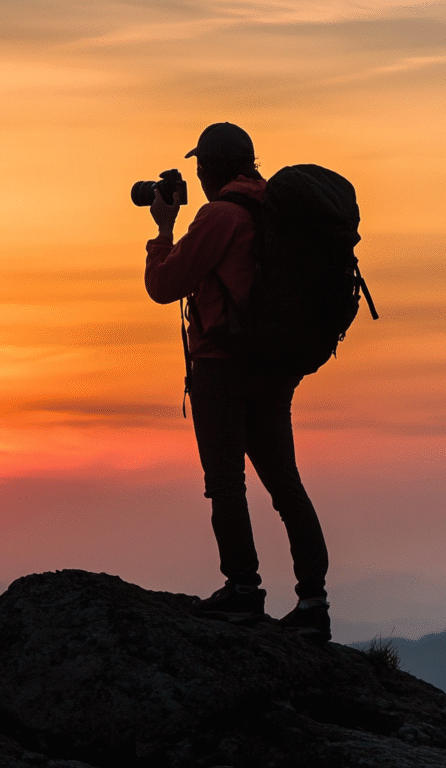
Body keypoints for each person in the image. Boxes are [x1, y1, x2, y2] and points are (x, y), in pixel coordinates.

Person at [144, 122, 331, 640]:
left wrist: (163, 228)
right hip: (273, 367)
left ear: (210, 169)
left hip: (222, 366)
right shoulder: (275, 209)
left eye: (201, 167)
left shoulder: (221, 215)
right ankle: (313, 603)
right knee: (285, 484)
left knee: (226, 483)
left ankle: (243, 590)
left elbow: (164, 285)